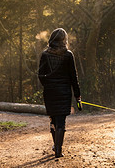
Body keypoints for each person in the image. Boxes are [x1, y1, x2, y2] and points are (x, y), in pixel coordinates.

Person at [38, 28, 81, 158]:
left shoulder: (45, 55)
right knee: (61, 121)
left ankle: (55, 146)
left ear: (51, 39)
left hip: (50, 92)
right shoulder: (68, 55)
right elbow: (74, 77)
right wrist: (77, 94)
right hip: (64, 92)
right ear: (64, 40)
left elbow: (40, 75)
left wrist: (48, 85)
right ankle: (58, 150)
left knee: (53, 119)